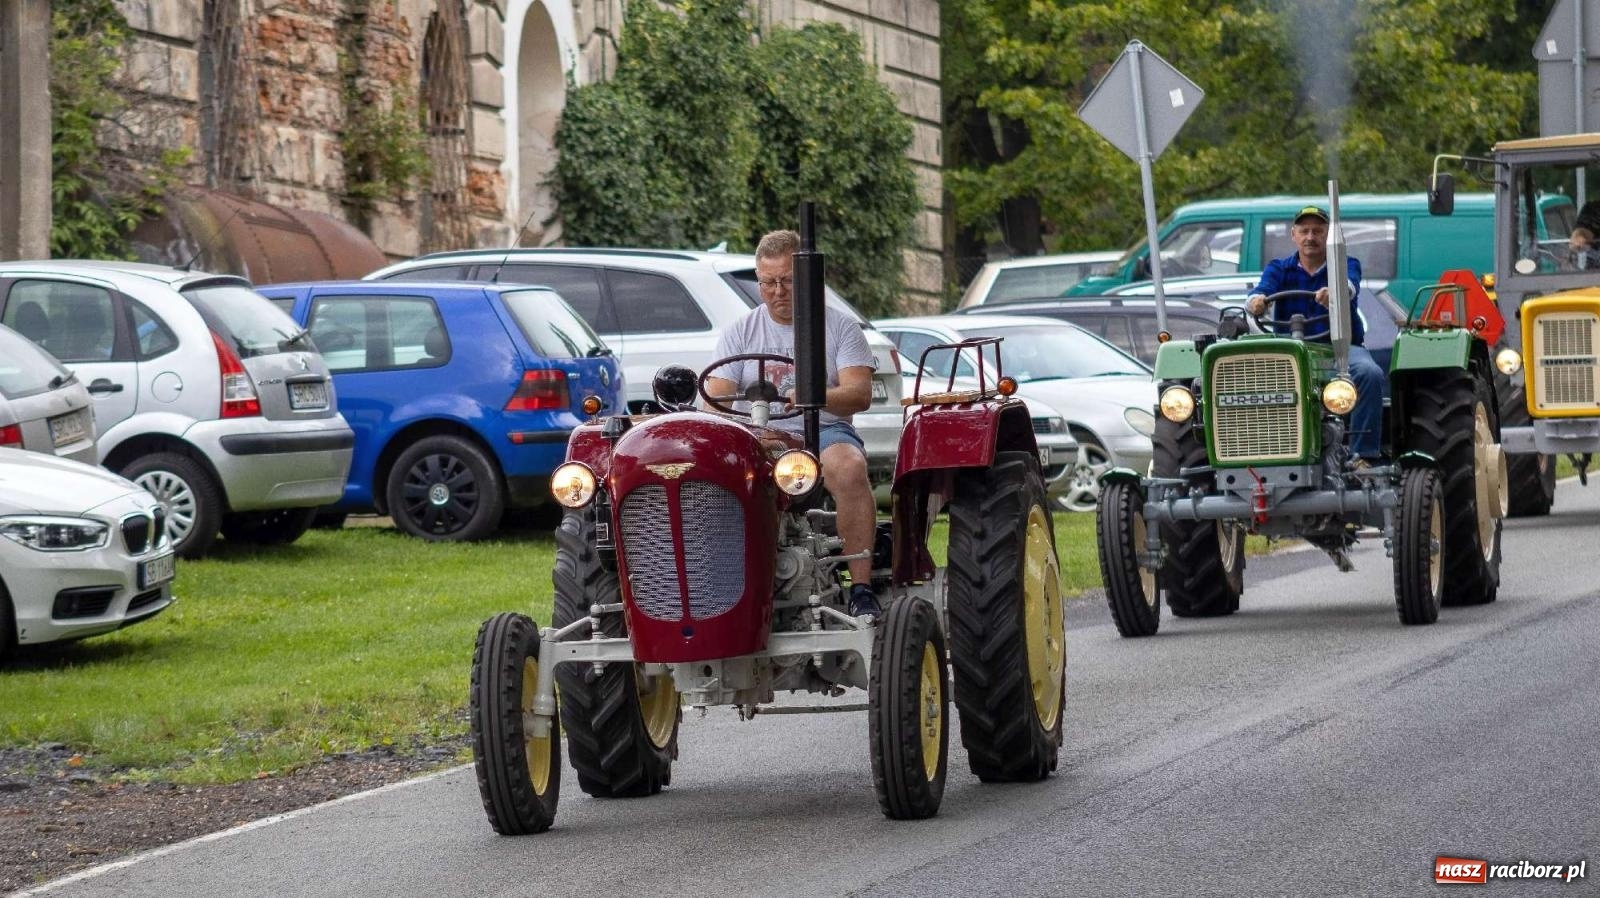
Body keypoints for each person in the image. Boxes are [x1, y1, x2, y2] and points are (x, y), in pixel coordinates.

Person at [704, 229, 882, 618]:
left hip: (824, 430)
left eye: (787, 281)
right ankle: (720, 588)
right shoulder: (741, 331)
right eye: (768, 283)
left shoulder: (839, 328)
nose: (777, 291)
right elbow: (716, 398)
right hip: (761, 435)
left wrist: (814, 395)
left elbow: (859, 393)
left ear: (806, 279)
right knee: (713, 475)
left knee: (849, 467)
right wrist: (745, 423)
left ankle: (861, 587)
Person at [1246, 205, 1386, 465]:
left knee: (1369, 373)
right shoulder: (1279, 268)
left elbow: (1349, 286)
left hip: (1337, 349)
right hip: (1292, 354)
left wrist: (1336, 292)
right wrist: (1256, 301)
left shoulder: (1344, 264)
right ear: (1294, 235)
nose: (1310, 237)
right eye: (1305, 231)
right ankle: (1264, 451)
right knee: (1253, 380)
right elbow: (1260, 291)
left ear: (1328, 236)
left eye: (1318, 231)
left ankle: (1363, 456)